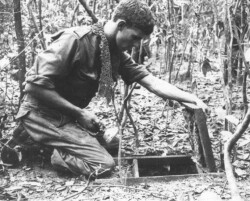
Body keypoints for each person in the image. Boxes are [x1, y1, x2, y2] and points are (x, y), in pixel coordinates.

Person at [6, 0, 207, 176]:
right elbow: (33, 87)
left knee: (114, 144)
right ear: (121, 25)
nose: (136, 45)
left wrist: (190, 97)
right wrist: (79, 113)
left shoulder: (112, 52)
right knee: (102, 164)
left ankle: (46, 142)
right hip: (41, 114)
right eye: (135, 37)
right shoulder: (76, 40)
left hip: (64, 116)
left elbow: (151, 82)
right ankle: (50, 152)